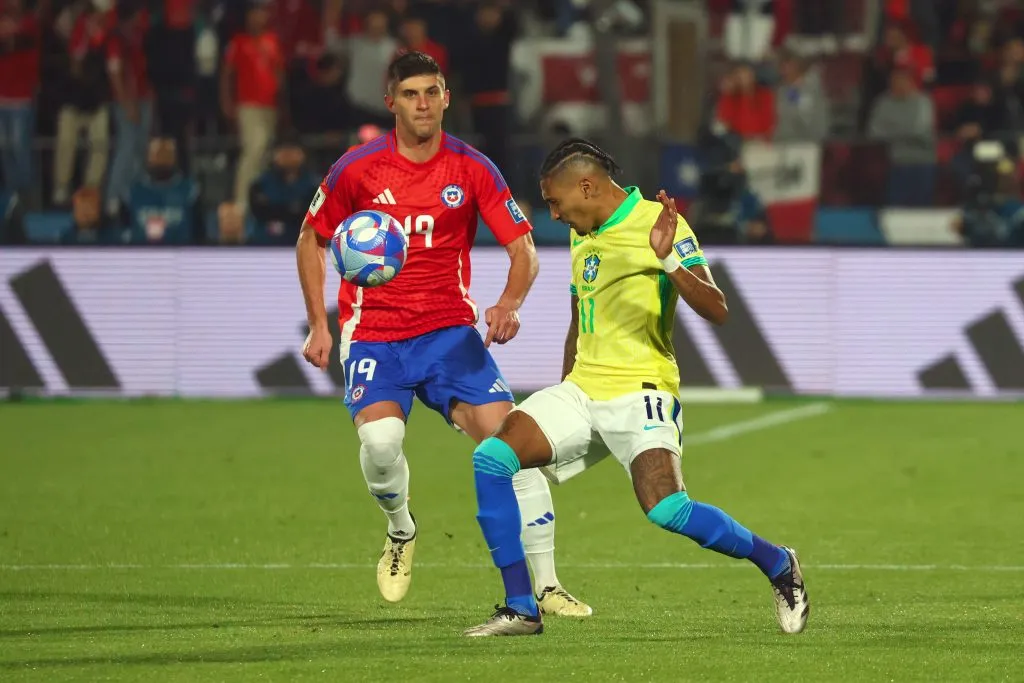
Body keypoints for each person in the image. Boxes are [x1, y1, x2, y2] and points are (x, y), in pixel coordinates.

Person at [462, 139, 809, 637]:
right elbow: (578, 316)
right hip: (583, 389)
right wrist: (566, 386)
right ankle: (522, 607)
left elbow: (717, 309)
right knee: (493, 459)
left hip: (641, 389)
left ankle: (777, 562)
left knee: (668, 509)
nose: (554, 215)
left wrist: (668, 261)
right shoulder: (583, 234)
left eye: (556, 202)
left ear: (587, 186)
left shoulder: (658, 223)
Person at [295, 52, 591, 617]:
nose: (423, 103)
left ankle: (548, 586)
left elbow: (524, 249)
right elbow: (311, 238)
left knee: (510, 443)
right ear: (391, 103)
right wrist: (318, 323)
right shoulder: (356, 169)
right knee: (381, 444)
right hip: (375, 333)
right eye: (411, 94)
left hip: (449, 334)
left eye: (432, 92)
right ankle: (401, 529)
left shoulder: (472, 168)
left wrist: (508, 303)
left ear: (447, 98)